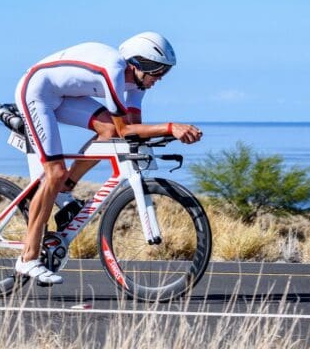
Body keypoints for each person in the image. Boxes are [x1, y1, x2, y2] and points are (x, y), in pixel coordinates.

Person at [13, 31, 202, 285]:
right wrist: (170, 127)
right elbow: (127, 130)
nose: (160, 78)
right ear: (140, 63)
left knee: (109, 132)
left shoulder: (138, 84)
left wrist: (168, 136)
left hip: (65, 95)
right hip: (37, 93)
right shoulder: (113, 70)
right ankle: (28, 258)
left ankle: (65, 188)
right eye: (158, 71)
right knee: (54, 174)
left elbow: (131, 129)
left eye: (164, 72)